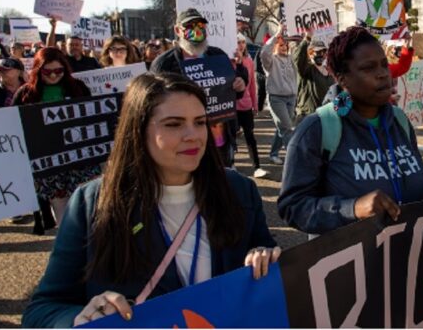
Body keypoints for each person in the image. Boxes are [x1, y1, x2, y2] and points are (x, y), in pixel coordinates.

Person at [22, 74, 279, 328]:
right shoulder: (93, 203)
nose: (193, 135)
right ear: (138, 130)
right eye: (173, 124)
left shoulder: (239, 190)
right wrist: (80, 319)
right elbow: (42, 309)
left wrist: (265, 258)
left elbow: (265, 265)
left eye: (200, 122)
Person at [278, 26, 423, 235]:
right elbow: (293, 207)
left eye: (384, 65)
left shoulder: (399, 120)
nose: (382, 74)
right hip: (352, 264)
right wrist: (353, 208)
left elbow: (415, 174)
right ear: (341, 79)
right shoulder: (316, 129)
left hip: (404, 258)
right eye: (368, 68)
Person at [13, 47, 99, 232]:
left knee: (88, 208)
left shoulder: (78, 88)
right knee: (63, 214)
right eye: (47, 71)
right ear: (38, 69)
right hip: (49, 164)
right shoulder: (26, 94)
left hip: (80, 161)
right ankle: (70, 250)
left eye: (58, 71)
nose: (53, 76)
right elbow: (12, 124)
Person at [150, 8, 247, 168]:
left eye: (200, 26)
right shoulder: (164, 64)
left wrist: (239, 84)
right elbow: (153, 101)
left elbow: (234, 89)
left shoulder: (218, 56)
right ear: (177, 30)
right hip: (185, 142)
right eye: (190, 27)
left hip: (218, 139)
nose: (196, 31)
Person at [260, 24, 298, 165]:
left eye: (285, 45)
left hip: (291, 98)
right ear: (275, 46)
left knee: (282, 127)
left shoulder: (290, 59)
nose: (283, 47)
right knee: (287, 128)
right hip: (276, 98)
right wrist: (276, 36)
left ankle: (273, 153)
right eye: (280, 45)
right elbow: (264, 53)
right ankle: (294, 158)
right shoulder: (270, 61)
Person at [234, 34, 267, 178]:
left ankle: (257, 166)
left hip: (246, 105)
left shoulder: (248, 61)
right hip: (231, 106)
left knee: (250, 136)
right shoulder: (227, 61)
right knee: (230, 137)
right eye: (238, 42)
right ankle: (231, 163)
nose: (241, 45)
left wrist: (255, 105)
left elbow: (252, 85)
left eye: (243, 42)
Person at [293, 28, 335, 121]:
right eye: (318, 52)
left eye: (324, 52)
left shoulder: (329, 71)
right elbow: (298, 59)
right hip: (308, 116)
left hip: (326, 116)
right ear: (310, 53)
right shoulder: (306, 70)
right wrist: (307, 38)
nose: (322, 54)